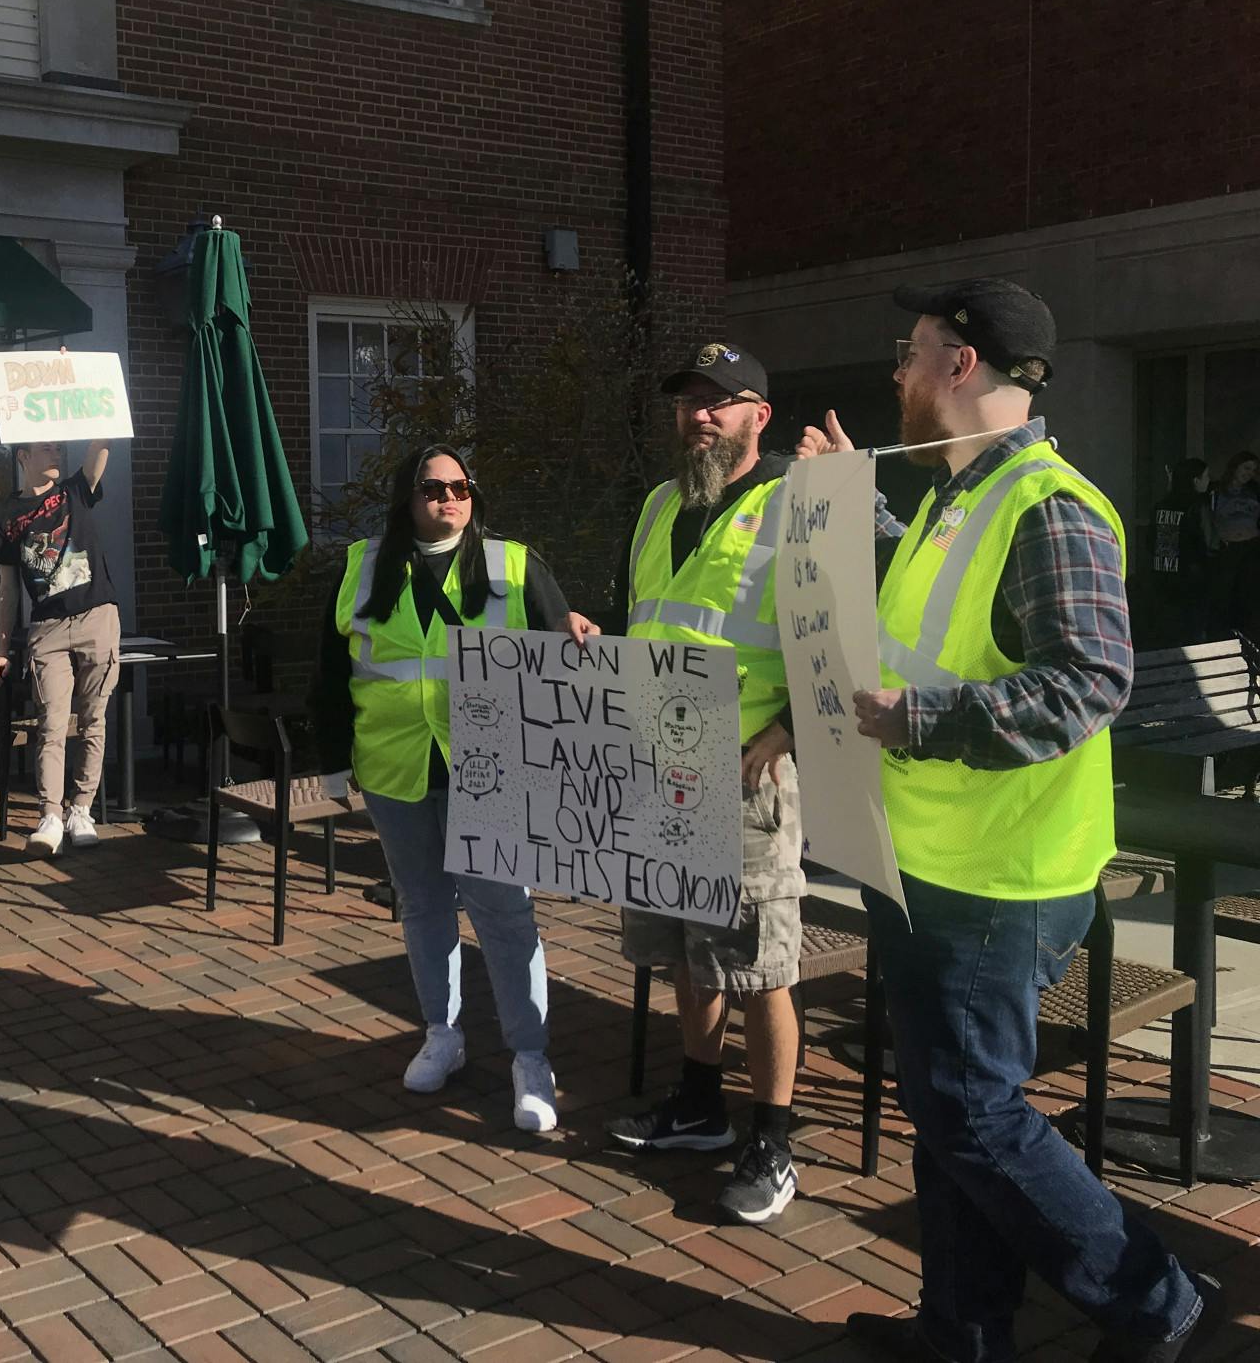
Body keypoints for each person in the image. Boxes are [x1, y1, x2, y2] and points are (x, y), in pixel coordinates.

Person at [799, 279, 1224, 1363]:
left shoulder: (1046, 506)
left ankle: (1155, 1301)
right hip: (930, 861)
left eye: (911, 351)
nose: (897, 371)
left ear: (959, 365)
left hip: (997, 880)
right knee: (947, 1116)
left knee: (971, 1114)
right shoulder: (959, 497)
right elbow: (933, 605)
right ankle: (962, 1334)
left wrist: (920, 720)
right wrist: (848, 499)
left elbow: (1088, 680)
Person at [309, 443, 597, 1133]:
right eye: (433, 487)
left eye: (461, 487)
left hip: (492, 768)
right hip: (395, 766)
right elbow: (329, 670)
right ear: (407, 498)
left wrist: (576, 626)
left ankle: (530, 1056)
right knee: (423, 905)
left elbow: (564, 641)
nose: (449, 498)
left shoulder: (513, 564)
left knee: (504, 913)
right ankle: (442, 1032)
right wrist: (333, 760)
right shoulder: (361, 566)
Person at [602, 343, 808, 1227]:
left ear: (761, 414)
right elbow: (642, 620)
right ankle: (698, 1104)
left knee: (761, 967)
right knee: (688, 952)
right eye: (689, 401)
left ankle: (774, 1141)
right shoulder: (660, 503)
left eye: (720, 401)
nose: (700, 415)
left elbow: (848, 637)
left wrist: (792, 728)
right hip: (660, 763)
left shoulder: (797, 501)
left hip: (746, 770)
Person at [0, 439, 119, 856]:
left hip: (97, 617)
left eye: (58, 448)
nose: (56, 454)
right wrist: (2, 648)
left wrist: (102, 423)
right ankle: (50, 816)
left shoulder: (75, 490)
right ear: (23, 457)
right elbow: (7, 589)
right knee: (51, 724)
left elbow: (98, 455)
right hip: (47, 628)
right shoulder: (5, 514)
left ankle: (82, 810)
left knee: (93, 720)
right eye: (46, 449)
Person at [1149, 457, 1213, 646]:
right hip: (1193, 577)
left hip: (1162, 575)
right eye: (1206, 476)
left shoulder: (1161, 505)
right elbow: (1209, 542)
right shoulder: (1198, 506)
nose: (1209, 481)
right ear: (1195, 480)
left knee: (1166, 629)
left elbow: (1150, 540)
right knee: (1192, 632)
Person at [1208, 449, 1259, 639]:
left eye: (1253, 470)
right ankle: (1222, 632)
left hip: (1251, 547)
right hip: (1227, 547)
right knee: (1225, 590)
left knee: (1248, 590)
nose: (1249, 473)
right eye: (1246, 468)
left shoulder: (1254, 491)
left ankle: (1248, 633)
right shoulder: (1216, 490)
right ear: (1235, 467)